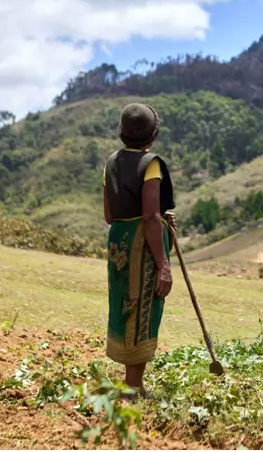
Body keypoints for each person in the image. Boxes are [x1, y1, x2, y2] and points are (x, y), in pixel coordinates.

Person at [102, 103, 176, 399]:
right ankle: (132, 388)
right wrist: (164, 265)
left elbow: (109, 215)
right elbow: (148, 217)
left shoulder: (111, 163)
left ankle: (131, 385)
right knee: (143, 308)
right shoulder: (152, 164)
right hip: (141, 243)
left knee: (125, 305)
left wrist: (158, 214)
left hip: (118, 240)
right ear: (152, 135)